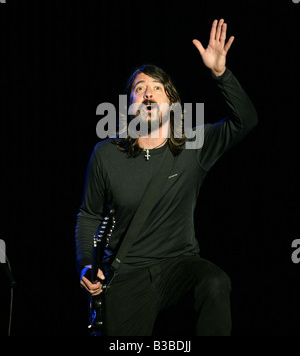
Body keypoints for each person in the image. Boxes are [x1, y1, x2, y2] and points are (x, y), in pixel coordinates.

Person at [75, 19, 258, 336]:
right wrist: (86, 265)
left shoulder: (193, 146)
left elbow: (246, 121)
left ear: (172, 104)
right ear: (130, 106)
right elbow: (88, 214)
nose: (147, 93)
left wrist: (220, 73)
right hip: (126, 273)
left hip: (179, 264)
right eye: (139, 88)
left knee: (216, 282)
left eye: (157, 87)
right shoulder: (106, 154)